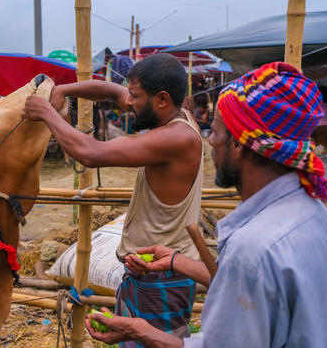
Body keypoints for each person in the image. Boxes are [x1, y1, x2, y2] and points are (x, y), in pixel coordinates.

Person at [85, 62, 327, 347]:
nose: (210, 143)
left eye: (215, 133)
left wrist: (140, 331)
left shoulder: (253, 247)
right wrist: (175, 261)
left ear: (239, 145)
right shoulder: (316, 213)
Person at [23, 53, 204, 341]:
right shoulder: (166, 116)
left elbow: (92, 153)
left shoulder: (177, 138)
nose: (127, 101)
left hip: (162, 280)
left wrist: (46, 113)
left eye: (135, 96)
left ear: (161, 99)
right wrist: (63, 90)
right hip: (146, 272)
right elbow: (111, 90)